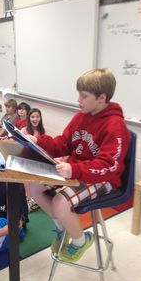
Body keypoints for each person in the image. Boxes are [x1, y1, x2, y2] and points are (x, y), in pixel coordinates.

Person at [26, 69, 130, 262]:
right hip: (78, 171)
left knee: (59, 203)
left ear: (101, 98)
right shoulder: (81, 116)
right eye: (79, 95)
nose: (78, 100)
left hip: (104, 178)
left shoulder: (115, 125)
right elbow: (63, 143)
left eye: (84, 96)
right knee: (32, 186)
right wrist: (38, 141)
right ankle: (61, 228)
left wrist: (74, 169)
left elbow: (109, 165)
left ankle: (81, 240)